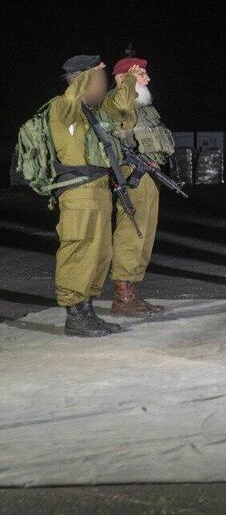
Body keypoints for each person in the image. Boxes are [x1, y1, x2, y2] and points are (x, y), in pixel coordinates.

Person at [49, 55, 139, 336]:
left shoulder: (92, 111)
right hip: (78, 191)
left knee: (100, 253)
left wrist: (128, 81)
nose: (102, 83)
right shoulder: (63, 107)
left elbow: (123, 107)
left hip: (99, 189)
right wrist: (89, 73)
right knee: (79, 250)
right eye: (96, 78)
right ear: (81, 79)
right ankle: (75, 315)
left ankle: (87, 312)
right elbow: (73, 93)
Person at [107, 53, 174, 315]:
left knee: (145, 233)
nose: (148, 79)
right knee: (131, 230)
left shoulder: (144, 108)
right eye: (141, 74)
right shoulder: (117, 101)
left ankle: (132, 291)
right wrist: (125, 83)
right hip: (132, 173)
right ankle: (122, 296)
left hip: (149, 173)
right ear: (125, 78)